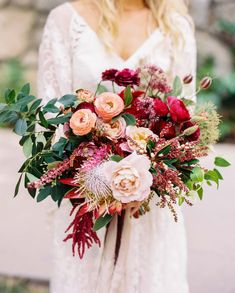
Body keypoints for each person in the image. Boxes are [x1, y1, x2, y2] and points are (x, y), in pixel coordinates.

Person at [37, 0, 196, 292]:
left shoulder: (175, 25)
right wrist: (100, 181)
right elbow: (49, 118)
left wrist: (146, 183)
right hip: (85, 202)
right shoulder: (65, 21)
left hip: (149, 212)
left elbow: (186, 119)